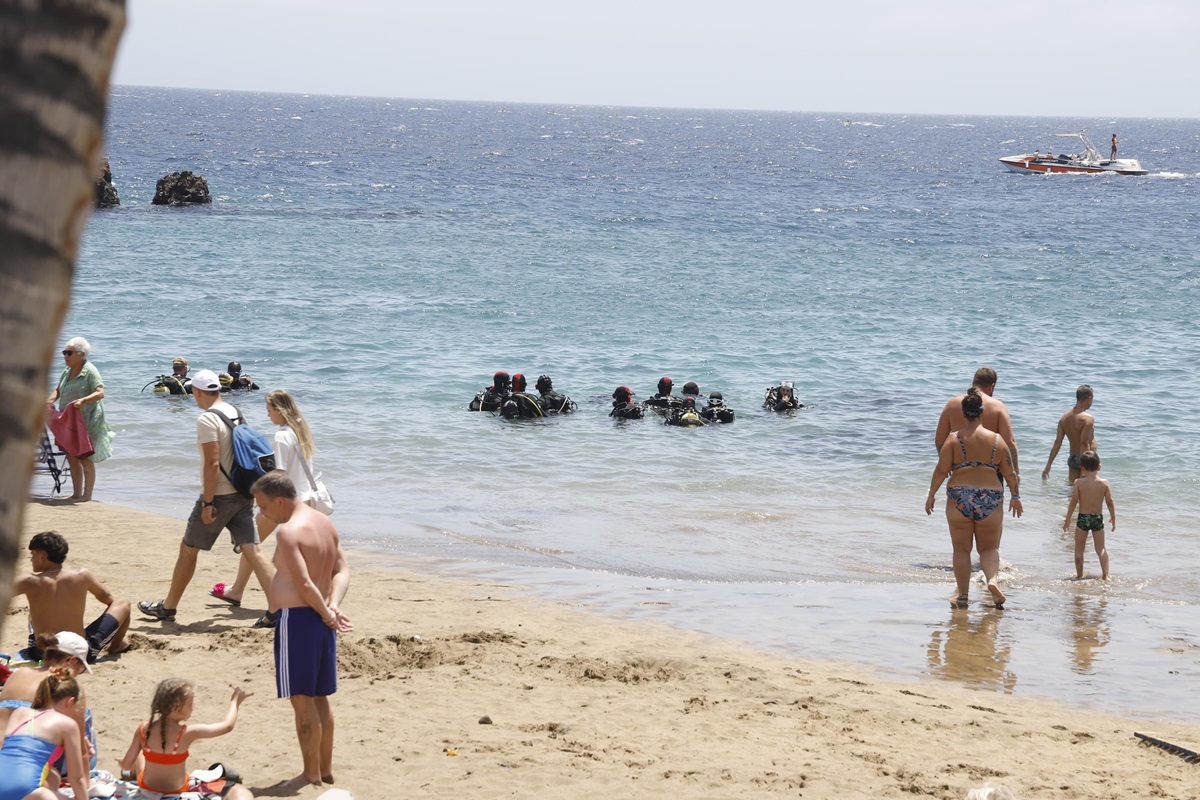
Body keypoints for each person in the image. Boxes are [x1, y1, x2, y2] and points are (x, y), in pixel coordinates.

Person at [138, 370, 273, 623]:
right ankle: (278, 608)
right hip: (243, 492)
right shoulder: (235, 411)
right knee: (254, 550)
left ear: (198, 392)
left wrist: (208, 502)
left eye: (193, 392)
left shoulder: (207, 420)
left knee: (188, 548)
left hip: (220, 495)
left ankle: (168, 607)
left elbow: (212, 464)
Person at [253, 471, 352, 788]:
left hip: (297, 620)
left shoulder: (288, 531)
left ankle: (310, 774)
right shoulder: (325, 523)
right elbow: (342, 571)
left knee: (302, 699)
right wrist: (332, 606)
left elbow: (305, 585)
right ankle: (324, 769)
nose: (261, 513)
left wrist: (327, 612)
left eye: (263, 506)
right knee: (319, 698)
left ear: (280, 500)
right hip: (320, 621)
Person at [211, 390, 321, 627]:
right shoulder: (301, 431)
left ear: (279, 411)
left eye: (269, 410)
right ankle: (237, 590)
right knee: (262, 548)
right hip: (304, 499)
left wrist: (265, 503)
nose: (268, 414)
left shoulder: (282, 436)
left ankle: (261, 600)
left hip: (284, 501)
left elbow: (278, 474)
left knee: (253, 545)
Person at [926, 387, 1022, 608]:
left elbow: (941, 470)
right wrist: (1016, 496)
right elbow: (1009, 472)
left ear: (963, 415)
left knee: (962, 550)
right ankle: (992, 580)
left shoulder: (953, 439)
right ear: (981, 413)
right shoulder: (997, 440)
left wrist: (931, 495)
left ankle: (962, 596)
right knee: (989, 548)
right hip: (991, 498)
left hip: (960, 498)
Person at [117, 678, 254, 800]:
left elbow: (126, 765)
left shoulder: (143, 729)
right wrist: (235, 702)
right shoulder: (187, 732)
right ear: (178, 709)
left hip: (147, 789)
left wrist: (122, 762)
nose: (193, 707)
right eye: (191, 704)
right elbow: (227, 726)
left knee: (142, 753)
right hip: (177, 791)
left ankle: (131, 775)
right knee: (240, 792)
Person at [13, 531, 129, 663]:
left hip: (42, 654)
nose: (31, 559)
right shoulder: (82, 576)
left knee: (33, 614)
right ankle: (117, 645)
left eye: (32, 555)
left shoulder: (28, 581)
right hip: (78, 655)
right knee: (123, 603)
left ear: (42, 556)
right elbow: (108, 599)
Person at [0, 633, 95, 778]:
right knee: (84, 716)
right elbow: (81, 752)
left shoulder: (18, 674)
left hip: (4, 754)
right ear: (71, 660)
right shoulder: (67, 684)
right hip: (28, 765)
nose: (78, 674)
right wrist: (86, 783)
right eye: (80, 668)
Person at [0, 670, 89, 800]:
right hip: (27, 790)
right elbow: (77, 778)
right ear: (70, 702)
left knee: (53, 777)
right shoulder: (67, 724)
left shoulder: (19, 713)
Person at [46, 337, 113, 501]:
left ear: (81, 354)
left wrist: (83, 400)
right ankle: (76, 494)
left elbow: (100, 392)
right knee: (71, 456)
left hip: (87, 421)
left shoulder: (89, 371)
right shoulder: (67, 371)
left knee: (85, 458)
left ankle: (86, 495)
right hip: (69, 421)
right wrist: (48, 402)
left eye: (69, 353)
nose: (65, 356)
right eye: (64, 352)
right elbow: (58, 390)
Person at [935, 367, 1019, 473]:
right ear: (991, 387)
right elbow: (1010, 443)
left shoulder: (951, 404)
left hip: (960, 471)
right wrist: (1015, 471)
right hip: (990, 474)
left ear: (973, 382)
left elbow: (939, 440)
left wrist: (945, 465)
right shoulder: (998, 407)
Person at [1063, 451, 1116, 580]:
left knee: (1079, 550)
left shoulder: (1078, 482)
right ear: (1099, 467)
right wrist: (1113, 517)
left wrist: (1068, 519)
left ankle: (1079, 576)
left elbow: (1074, 501)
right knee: (1101, 549)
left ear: (1082, 468)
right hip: (1097, 518)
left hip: (1083, 519)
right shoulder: (1104, 483)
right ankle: (1106, 576)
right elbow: (1110, 501)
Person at [1042, 384, 1096, 483]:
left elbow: (1057, 443)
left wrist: (1048, 465)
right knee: (1084, 492)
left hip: (1072, 459)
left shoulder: (1064, 418)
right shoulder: (1088, 419)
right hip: (1085, 459)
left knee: (1073, 490)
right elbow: (1084, 443)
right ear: (1089, 398)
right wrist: (1086, 467)